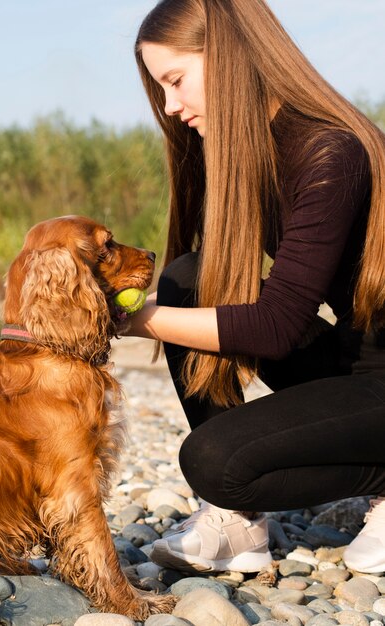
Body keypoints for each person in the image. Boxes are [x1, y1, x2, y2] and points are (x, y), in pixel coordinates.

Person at [127, 0, 385, 575]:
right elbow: (233, 294)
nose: (170, 107)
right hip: (354, 362)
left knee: (216, 460)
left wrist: (133, 319)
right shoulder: (252, 152)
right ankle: (236, 524)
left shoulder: (329, 152)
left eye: (175, 81)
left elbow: (276, 326)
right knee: (188, 278)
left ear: (229, 55)